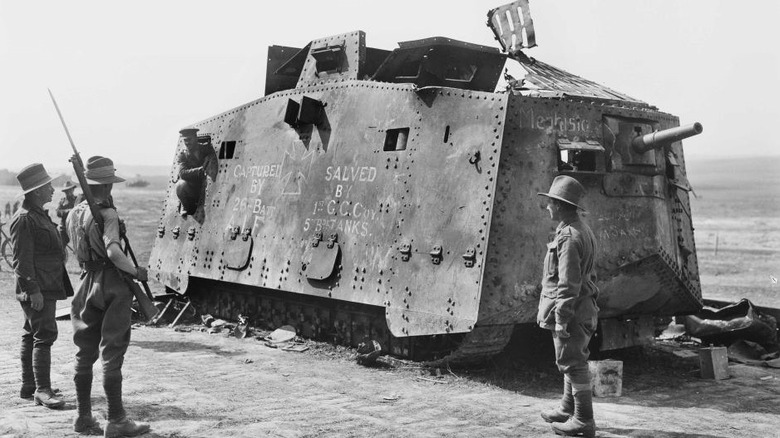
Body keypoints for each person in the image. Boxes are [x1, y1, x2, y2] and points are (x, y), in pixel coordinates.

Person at [67, 156, 151, 437]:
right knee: (112, 352)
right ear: (108, 186)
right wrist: (136, 272)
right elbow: (114, 252)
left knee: (84, 351)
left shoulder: (74, 213)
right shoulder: (108, 214)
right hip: (112, 283)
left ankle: (82, 417)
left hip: (85, 283)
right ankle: (116, 420)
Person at [536, 175, 599, 438]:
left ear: (561, 205)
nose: (548, 206)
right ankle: (566, 408)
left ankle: (583, 420)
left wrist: (561, 318)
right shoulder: (580, 229)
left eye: (551, 202)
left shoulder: (569, 237)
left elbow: (568, 283)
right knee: (569, 359)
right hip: (583, 305)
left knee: (573, 362)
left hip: (572, 310)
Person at [10, 163, 73, 409]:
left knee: (31, 333)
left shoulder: (37, 214)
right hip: (39, 287)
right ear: (37, 191)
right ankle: (42, 390)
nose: (52, 190)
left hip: (46, 284)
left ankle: (30, 386)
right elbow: (21, 261)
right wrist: (33, 290)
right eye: (48, 186)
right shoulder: (25, 219)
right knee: (44, 334)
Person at [174, 127, 218, 215]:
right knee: (180, 185)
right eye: (185, 140)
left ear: (195, 137)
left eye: (189, 139)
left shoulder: (206, 148)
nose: (187, 143)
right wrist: (199, 170)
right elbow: (182, 173)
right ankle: (186, 206)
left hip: (206, 184)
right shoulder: (183, 155)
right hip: (193, 187)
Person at [56, 179, 78, 247]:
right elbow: (58, 212)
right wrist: (68, 211)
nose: (68, 192)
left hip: (75, 227)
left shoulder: (77, 200)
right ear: (64, 192)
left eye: (70, 190)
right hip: (64, 228)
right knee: (61, 245)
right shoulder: (62, 201)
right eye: (66, 191)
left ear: (73, 190)